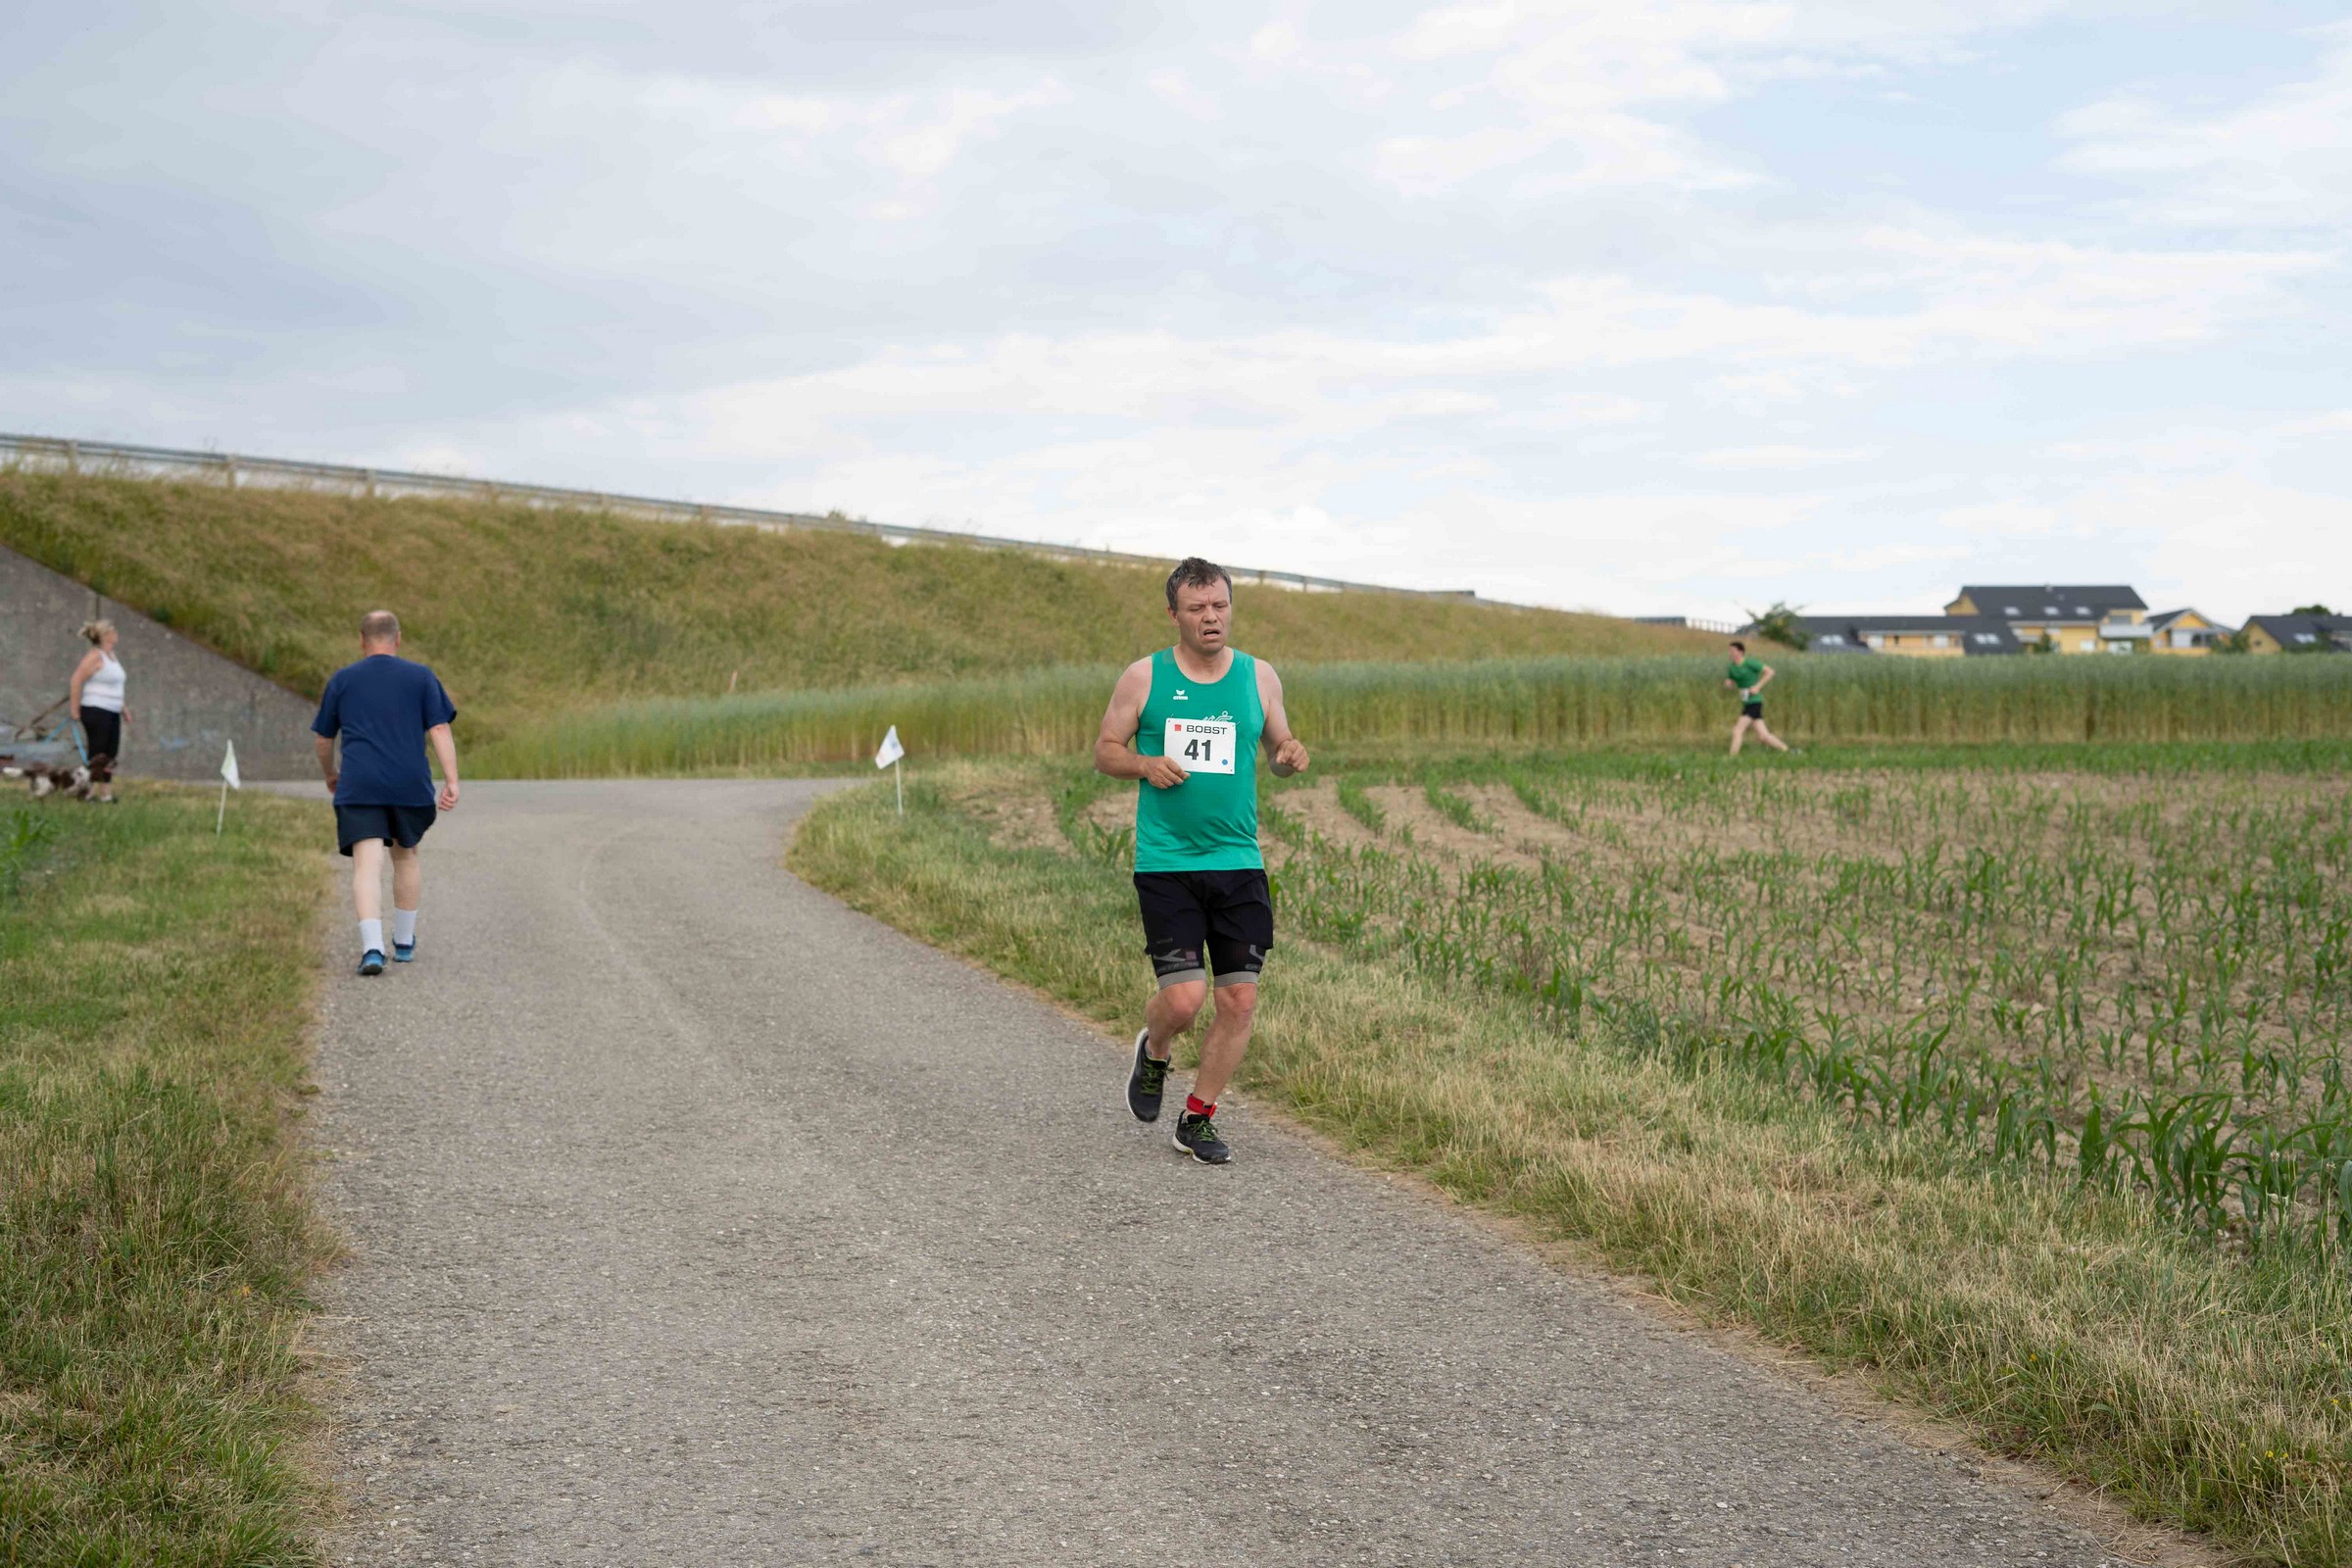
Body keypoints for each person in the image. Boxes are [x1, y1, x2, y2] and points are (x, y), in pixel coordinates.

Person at [1094, 558, 1309, 1164]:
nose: (1210, 617)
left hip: (1238, 859)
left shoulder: (1259, 676)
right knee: (1185, 1001)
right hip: (1167, 863)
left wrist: (1288, 756)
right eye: (1197, 608)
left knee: (1238, 1000)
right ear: (1174, 614)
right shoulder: (1144, 677)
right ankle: (1155, 1049)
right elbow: (1105, 751)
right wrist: (1143, 764)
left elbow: (1277, 748)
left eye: (1219, 605)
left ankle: (1197, 1118)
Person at [313, 611, 461, 976]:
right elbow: (440, 729)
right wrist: (452, 780)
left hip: (359, 783)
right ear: (398, 638)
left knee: (367, 864)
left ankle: (372, 949)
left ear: (361, 640)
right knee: (405, 855)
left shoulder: (342, 680)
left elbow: (324, 739)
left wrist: (330, 773)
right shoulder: (421, 677)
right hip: (408, 783)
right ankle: (405, 942)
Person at [68, 619, 129, 803]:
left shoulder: (112, 656)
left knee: (110, 754)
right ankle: (87, 792)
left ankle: (105, 794)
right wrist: (74, 709)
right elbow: (76, 680)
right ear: (105, 636)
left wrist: (123, 708)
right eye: (113, 631)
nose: (116, 634)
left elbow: (115, 686)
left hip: (112, 710)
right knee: (97, 754)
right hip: (96, 709)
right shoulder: (95, 656)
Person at [1724, 638, 1789, 758]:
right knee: (1763, 736)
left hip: (1755, 701)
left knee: (1737, 731)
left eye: (1732, 650)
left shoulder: (1750, 663)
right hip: (1746, 702)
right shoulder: (1732, 667)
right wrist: (1728, 684)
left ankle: (1732, 758)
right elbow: (1731, 682)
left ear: (1740, 652)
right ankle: (1786, 750)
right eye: (1729, 651)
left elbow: (1770, 672)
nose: (1730, 653)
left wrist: (1757, 686)